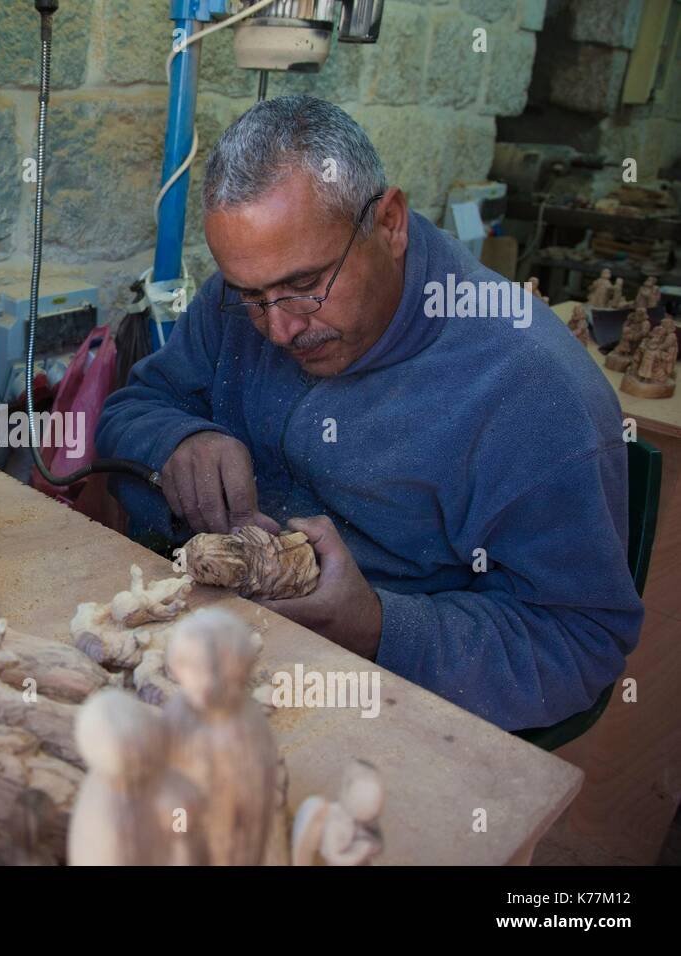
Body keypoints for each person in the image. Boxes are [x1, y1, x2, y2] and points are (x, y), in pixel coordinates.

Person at [96, 95, 642, 731]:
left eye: (306, 285)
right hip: (214, 642)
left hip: (388, 700)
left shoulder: (531, 390)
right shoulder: (250, 291)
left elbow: (578, 643)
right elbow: (131, 410)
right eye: (252, 296)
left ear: (390, 223)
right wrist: (177, 441)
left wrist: (382, 627)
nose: (278, 328)